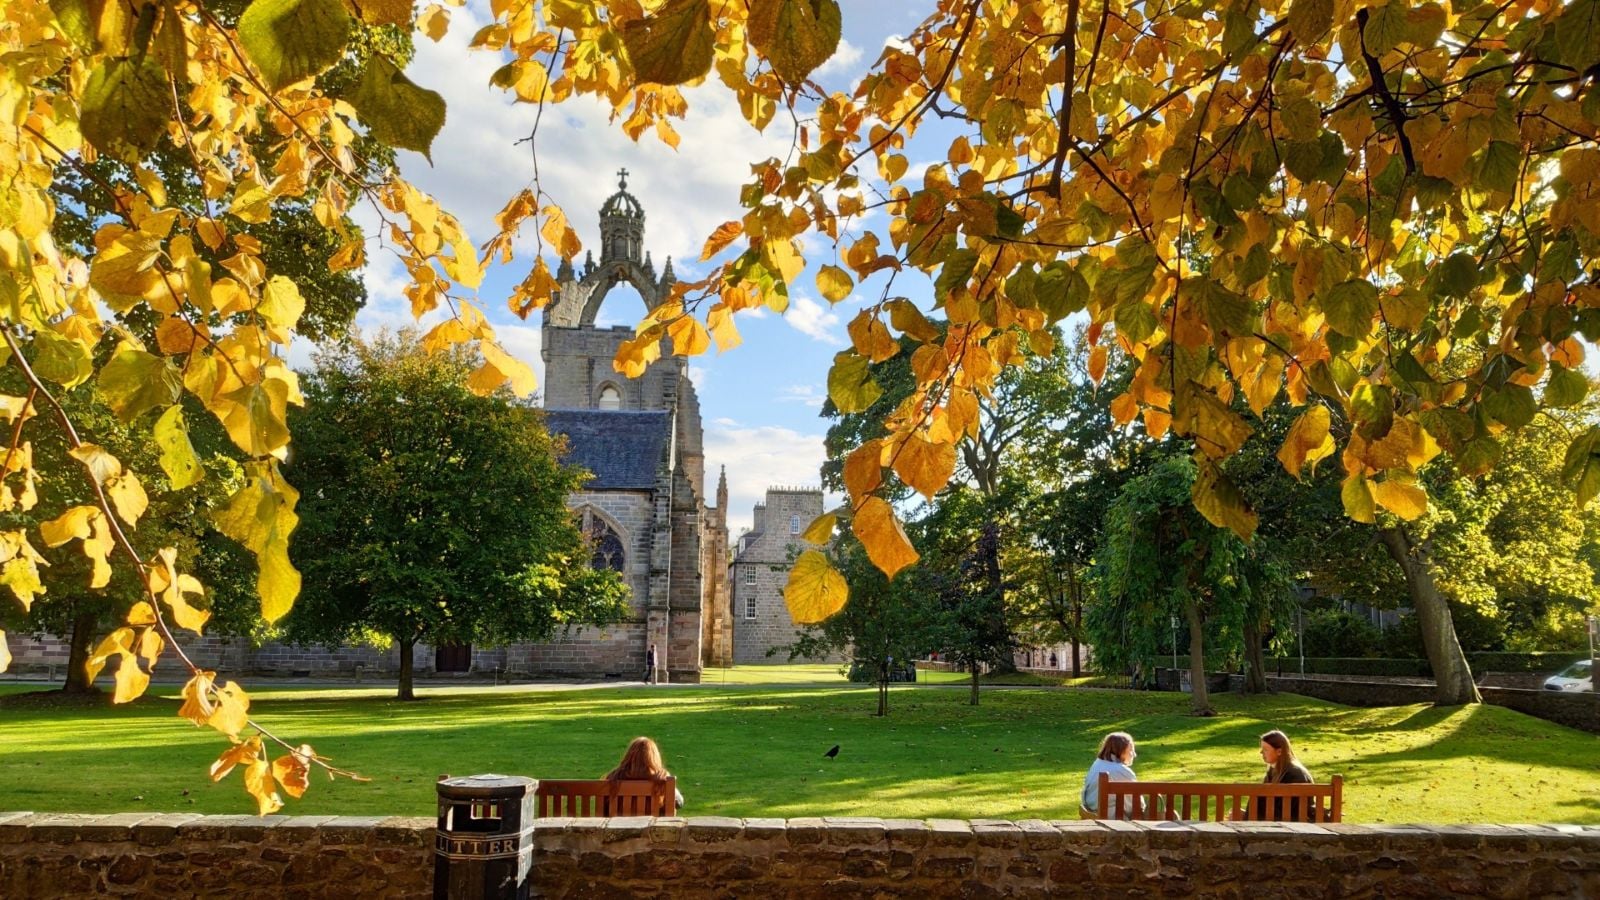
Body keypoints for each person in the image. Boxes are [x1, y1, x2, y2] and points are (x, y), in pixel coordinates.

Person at [605, 736, 685, 812]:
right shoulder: (662, 778)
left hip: (618, 821)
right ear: (654, 757)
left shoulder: (614, 776)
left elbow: (604, 806)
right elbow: (679, 802)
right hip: (653, 822)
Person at [1079, 731, 1143, 819]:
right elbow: (1137, 805)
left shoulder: (1097, 764)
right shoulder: (1122, 771)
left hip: (1092, 812)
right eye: (1131, 750)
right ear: (1121, 750)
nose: (1134, 754)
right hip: (1115, 819)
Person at [1255, 729, 1313, 821]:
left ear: (1279, 751)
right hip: (1284, 821)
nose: (1261, 752)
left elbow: (1290, 811)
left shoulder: (1294, 774)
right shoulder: (1274, 770)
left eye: (1265, 749)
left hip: (1291, 823)